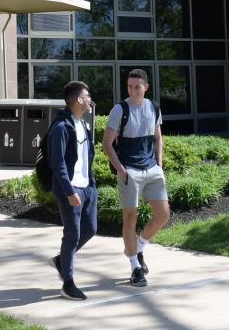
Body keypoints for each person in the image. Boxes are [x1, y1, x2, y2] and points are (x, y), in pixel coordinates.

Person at [102, 69, 170, 288]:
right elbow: (107, 144)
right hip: (129, 170)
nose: (132, 90)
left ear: (146, 87)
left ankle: (139, 248)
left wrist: (159, 163)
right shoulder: (119, 110)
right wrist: (122, 171)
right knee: (130, 217)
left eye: (137, 87)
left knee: (163, 215)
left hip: (152, 169)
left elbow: (158, 137)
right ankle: (135, 268)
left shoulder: (154, 107)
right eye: (129, 86)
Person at [47, 81, 98, 300]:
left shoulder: (83, 124)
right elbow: (57, 164)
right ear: (78, 99)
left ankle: (61, 260)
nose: (90, 100)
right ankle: (68, 282)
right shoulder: (60, 128)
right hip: (70, 190)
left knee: (91, 229)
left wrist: (92, 186)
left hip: (87, 188)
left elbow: (87, 158)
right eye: (87, 96)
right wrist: (69, 191)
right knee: (72, 234)